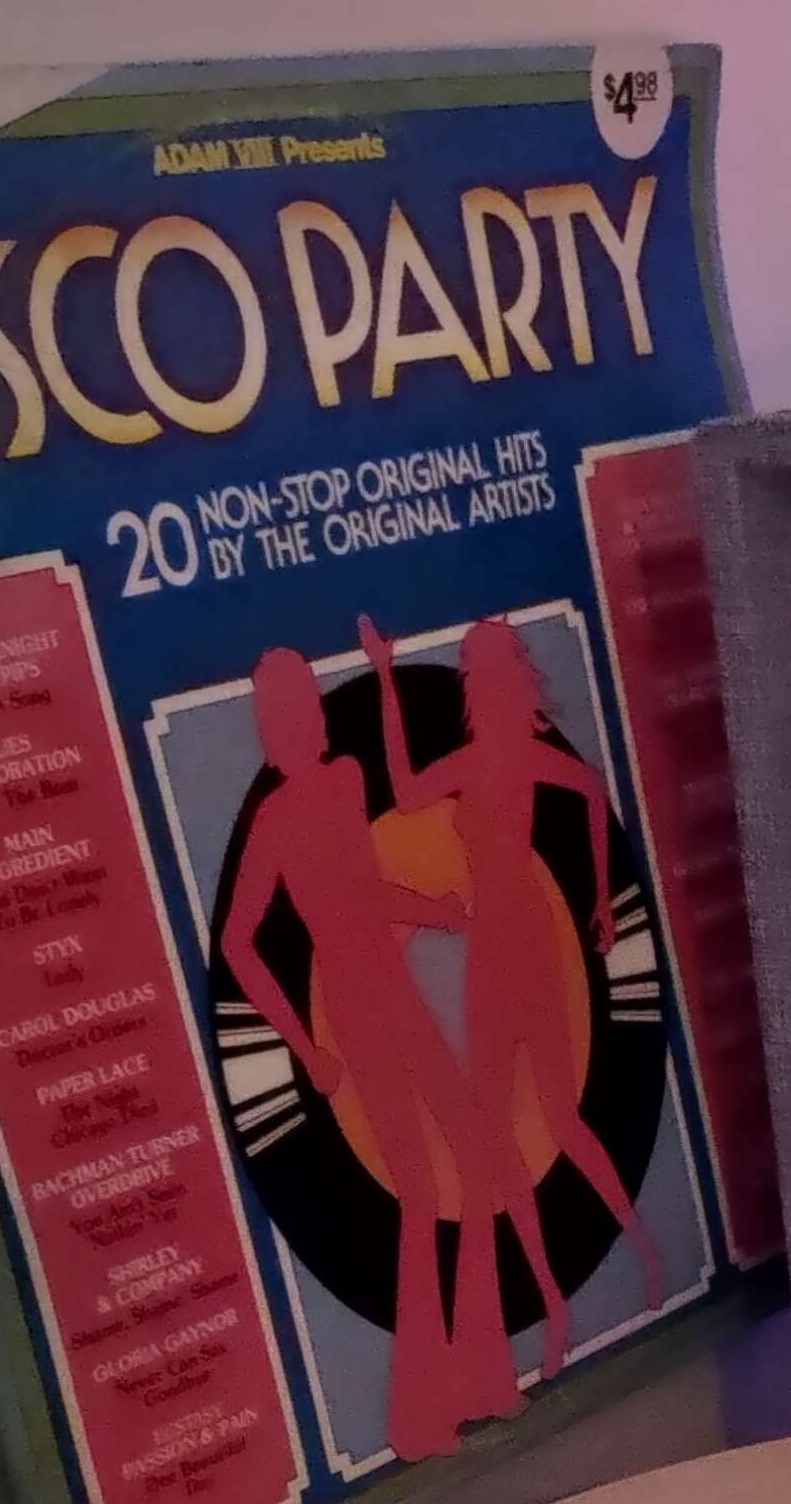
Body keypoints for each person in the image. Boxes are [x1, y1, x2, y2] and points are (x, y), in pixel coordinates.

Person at [362, 613, 661, 1380]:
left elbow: (588, 792)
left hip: (510, 941)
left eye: (473, 668)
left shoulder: (497, 758)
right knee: (521, 1130)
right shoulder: (502, 757)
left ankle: (617, 1265)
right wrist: (595, 895)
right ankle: (579, 1291)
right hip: (497, 943)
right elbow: (589, 794)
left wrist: (597, 896)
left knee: (544, 1121)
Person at [218, 642, 499, 1459]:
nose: (300, 722)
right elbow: (239, 942)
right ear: (269, 731)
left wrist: (433, 911)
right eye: (283, 714)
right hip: (351, 1004)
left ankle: (475, 1377)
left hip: (394, 990)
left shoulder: (344, 783)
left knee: (475, 1160)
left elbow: (363, 888)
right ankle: (420, 1413)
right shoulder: (272, 822)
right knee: (416, 1190)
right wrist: (304, 1046)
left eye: (306, 705)